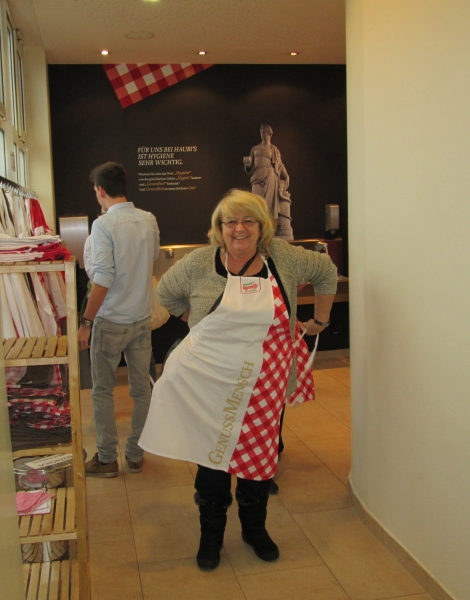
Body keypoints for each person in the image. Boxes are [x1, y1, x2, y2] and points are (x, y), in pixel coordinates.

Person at [139, 190, 337, 570]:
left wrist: (321, 321)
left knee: (259, 460)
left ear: (262, 227)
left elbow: (326, 271)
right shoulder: (200, 263)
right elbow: (166, 293)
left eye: (248, 220)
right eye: (231, 221)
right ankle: (211, 535)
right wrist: (195, 323)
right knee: (213, 463)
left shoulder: (282, 258)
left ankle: (254, 529)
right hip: (210, 384)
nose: (239, 228)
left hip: (265, 385)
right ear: (220, 227)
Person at [78, 162, 160, 478]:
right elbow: (152, 260)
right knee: (142, 390)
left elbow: (102, 278)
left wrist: (86, 323)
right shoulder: (149, 219)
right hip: (141, 319)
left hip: (111, 320)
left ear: (100, 190)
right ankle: (136, 455)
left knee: (102, 391)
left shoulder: (103, 225)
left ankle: (107, 459)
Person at [244, 124, 293, 239]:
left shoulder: (273, 149)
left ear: (270, 134)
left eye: (264, 132)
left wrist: (286, 176)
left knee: (269, 206)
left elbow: (279, 165)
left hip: (270, 177)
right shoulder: (255, 149)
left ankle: (269, 231)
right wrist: (247, 166)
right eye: (261, 132)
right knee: (256, 205)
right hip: (257, 178)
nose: (262, 134)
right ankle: (257, 231)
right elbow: (249, 168)